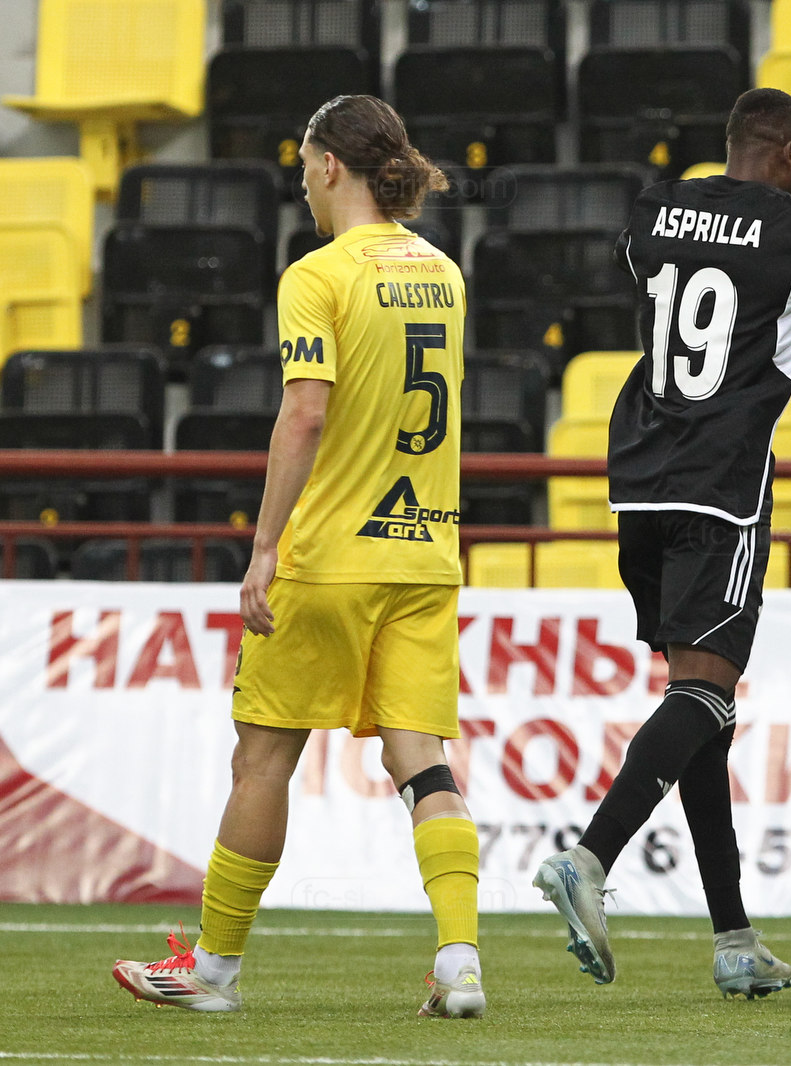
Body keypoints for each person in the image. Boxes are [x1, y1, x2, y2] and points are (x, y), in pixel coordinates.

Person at [532, 87, 791, 998]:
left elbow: (674, 259)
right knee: (705, 694)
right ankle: (589, 858)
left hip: (637, 482)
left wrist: (758, 211)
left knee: (702, 710)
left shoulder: (657, 208)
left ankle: (734, 940)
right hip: (722, 488)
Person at [113, 95, 484, 1019]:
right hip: (425, 555)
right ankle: (460, 962)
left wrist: (265, 545)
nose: (303, 186)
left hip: (330, 556)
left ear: (329, 166)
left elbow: (306, 413)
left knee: (263, 760)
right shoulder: (444, 271)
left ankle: (213, 971)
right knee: (423, 759)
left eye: (304, 168)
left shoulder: (319, 274)